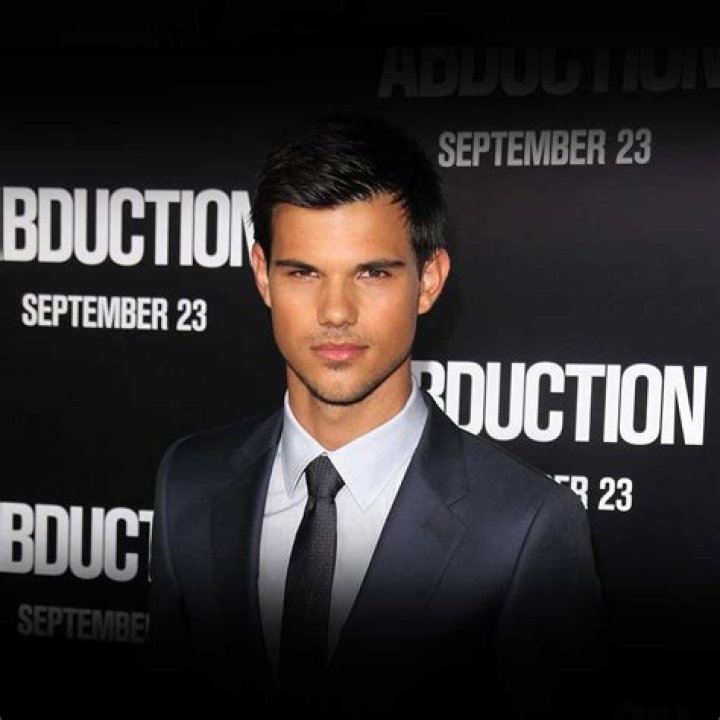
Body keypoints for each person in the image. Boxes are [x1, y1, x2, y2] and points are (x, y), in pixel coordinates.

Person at [144, 113, 607, 719]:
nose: (336, 311)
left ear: (428, 280)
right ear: (262, 276)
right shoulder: (188, 483)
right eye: (303, 272)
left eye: (372, 272)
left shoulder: (526, 529)